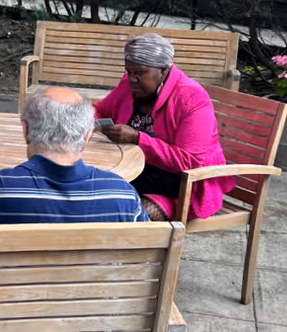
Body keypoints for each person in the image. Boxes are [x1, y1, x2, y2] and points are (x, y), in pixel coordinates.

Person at [0, 88, 148, 315]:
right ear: (87, 135)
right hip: (95, 319)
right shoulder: (123, 195)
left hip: (7, 320)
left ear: (25, 130)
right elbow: (145, 265)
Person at [95, 32, 235, 222]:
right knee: (94, 189)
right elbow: (100, 110)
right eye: (130, 72)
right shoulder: (129, 85)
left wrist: (138, 138)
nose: (132, 79)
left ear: (163, 70)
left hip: (183, 186)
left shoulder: (191, 98)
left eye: (140, 73)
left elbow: (189, 162)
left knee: (121, 209)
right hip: (139, 169)